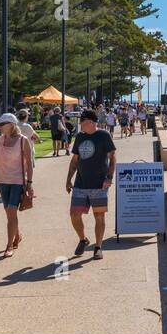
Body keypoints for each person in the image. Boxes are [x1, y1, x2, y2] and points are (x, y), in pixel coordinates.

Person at [65, 108, 115, 261]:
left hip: (99, 184)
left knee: (98, 216)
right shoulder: (80, 137)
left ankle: (98, 247)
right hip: (81, 183)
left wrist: (109, 178)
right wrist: (68, 179)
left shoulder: (104, 136)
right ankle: (83, 239)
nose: (81, 125)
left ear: (91, 122)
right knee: (74, 215)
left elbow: (112, 158)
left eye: (83, 122)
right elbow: (75, 160)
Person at [0, 112, 34, 258]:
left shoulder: (23, 141)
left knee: (12, 210)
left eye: (2, 124)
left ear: (11, 125)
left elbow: (29, 165)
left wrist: (29, 183)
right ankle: (17, 234)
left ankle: (9, 246)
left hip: (17, 180)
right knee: (9, 212)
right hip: (2, 180)